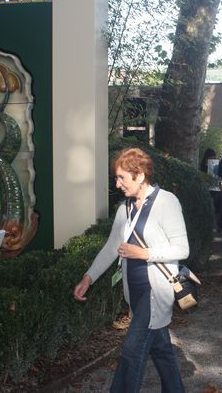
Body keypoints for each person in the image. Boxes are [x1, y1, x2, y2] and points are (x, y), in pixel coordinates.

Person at [73, 148, 187, 392]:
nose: (117, 183)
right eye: (116, 178)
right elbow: (112, 247)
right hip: (134, 292)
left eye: (122, 178)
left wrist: (145, 253)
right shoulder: (125, 208)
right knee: (161, 348)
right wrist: (88, 277)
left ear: (140, 175)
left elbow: (182, 249)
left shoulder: (167, 202)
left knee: (132, 352)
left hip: (156, 292)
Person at [200, 148, 222, 232]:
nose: (212, 158)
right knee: (209, 207)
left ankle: (217, 226)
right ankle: (210, 225)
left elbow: (219, 176)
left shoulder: (217, 164)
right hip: (207, 189)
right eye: (210, 156)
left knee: (218, 208)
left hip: (216, 189)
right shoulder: (203, 165)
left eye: (213, 156)